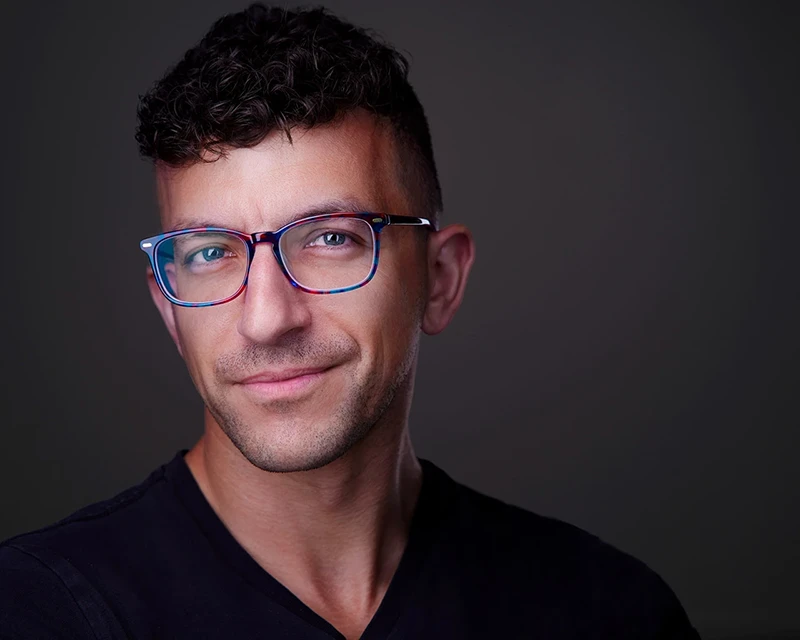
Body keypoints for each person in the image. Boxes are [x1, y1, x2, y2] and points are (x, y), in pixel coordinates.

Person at [0, 4, 700, 638]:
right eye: (211, 252)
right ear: (167, 305)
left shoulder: (609, 615)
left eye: (331, 237)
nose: (267, 319)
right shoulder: (40, 612)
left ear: (440, 279)